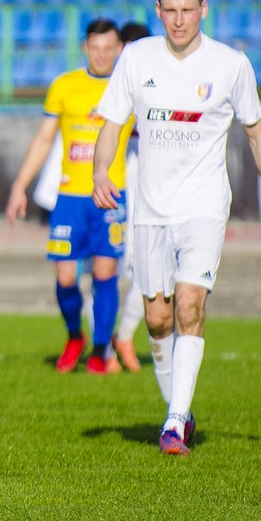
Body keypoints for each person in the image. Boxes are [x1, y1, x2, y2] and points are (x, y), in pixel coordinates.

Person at [93, 0, 261, 456]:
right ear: (158, 11)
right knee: (157, 321)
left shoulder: (230, 64)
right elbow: (112, 125)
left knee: (188, 306)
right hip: (150, 209)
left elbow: (257, 137)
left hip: (203, 206)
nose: (179, 20)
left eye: (188, 10)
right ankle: (176, 409)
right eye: (171, 10)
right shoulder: (137, 58)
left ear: (203, 9)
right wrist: (102, 171)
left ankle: (176, 421)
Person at [6, 18, 133, 375]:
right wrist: (20, 186)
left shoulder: (129, 88)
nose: (103, 54)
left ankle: (99, 349)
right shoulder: (65, 86)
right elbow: (44, 139)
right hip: (70, 197)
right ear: (85, 47)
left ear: (120, 49)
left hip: (110, 195)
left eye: (109, 48)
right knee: (65, 278)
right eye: (96, 48)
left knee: (105, 275)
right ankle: (75, 335)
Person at [107, 21, 152, 373]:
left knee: (144, 264)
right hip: (117, 174)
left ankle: (120, 336)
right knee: (108, 265)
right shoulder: (111, 82)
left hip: (143, 172)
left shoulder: (155, 77)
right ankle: (105, 344)